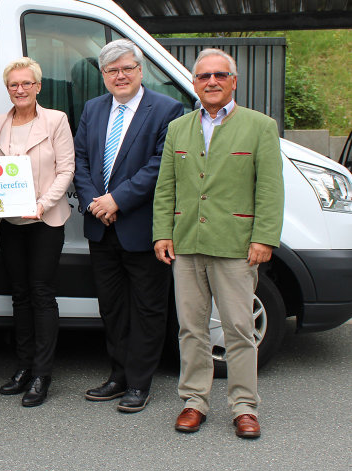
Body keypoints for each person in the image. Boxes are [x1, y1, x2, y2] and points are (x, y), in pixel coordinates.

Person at [153, 48, 283, 438]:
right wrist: (162, 231)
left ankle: (244, 407)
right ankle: (194, 401)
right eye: (204, 76)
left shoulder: (260, 126)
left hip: (236, 245)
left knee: (239, 329)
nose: (212, 81)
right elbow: (166, 187)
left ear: (234, 81)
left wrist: (264, 238)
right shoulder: (180, 127)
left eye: (220, 75)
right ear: (194, 83)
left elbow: (270, 190)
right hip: (187, 243)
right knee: (191, 328)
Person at [73, 39, 184, 413]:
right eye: (111, 70)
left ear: (140, 70)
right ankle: (117, 375)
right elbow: (82, 159)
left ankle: (139, 382)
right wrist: (94, 202)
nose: (119, 76)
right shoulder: (93, 108)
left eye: (126, 69)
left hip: (141, 227)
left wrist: (116, 200)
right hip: (101, 228)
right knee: (113, 307)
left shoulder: (167, 109)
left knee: (148, 308)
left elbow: (159, 166)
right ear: (103, 76)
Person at [0, 57, 75, 407]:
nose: (20, 89)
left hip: (45, 220)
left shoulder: (56, 120)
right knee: (19, 295)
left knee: (41, 294)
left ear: (38, 86)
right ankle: (23, 367)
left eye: (27, 84)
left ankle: (42, 374)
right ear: (7, 89)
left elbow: (65, 169)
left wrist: (41, 203)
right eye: (14, 85)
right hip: (10, 223)